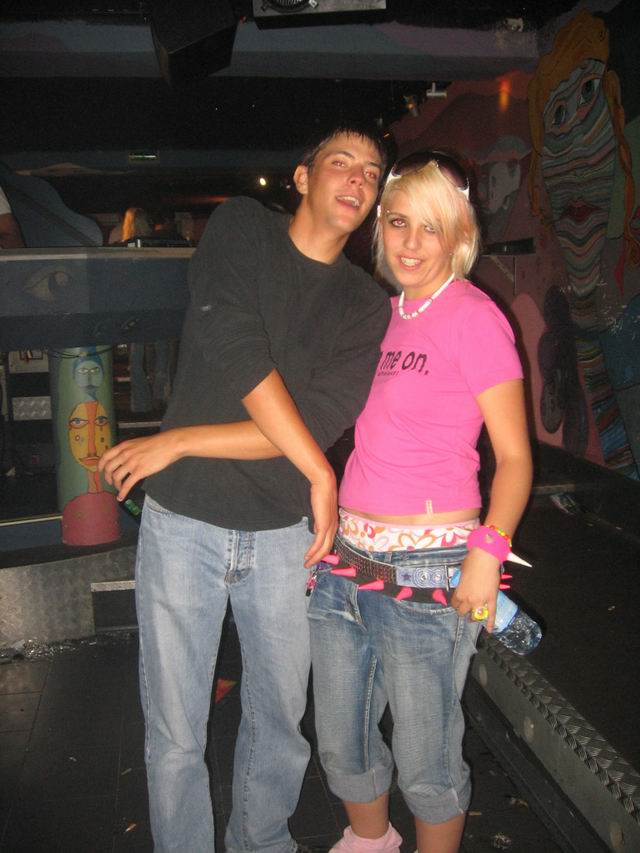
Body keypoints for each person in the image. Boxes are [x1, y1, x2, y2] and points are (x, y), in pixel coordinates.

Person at [98, 122, 391, 853]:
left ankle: (262, 842)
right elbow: (233, 343)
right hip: (185, 520)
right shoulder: (242, 228)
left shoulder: (366, 305)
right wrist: (316, 468)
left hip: (284, 535)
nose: (358, 179)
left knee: (280, 720)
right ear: (303, 177)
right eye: (342, 162)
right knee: (175, 730)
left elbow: (309, 425)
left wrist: (181, 439)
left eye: (372, 172)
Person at [306, 152, 532, 853]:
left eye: (429, 227)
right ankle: (369, 842)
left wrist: (486, 555)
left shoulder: (475, 318)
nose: (410, 242)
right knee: (340, 743)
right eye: (399, 222)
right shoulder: (378, 315)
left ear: (458, 233)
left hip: (429, 572)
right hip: (345, 563)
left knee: (426, 762)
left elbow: (516, 459)